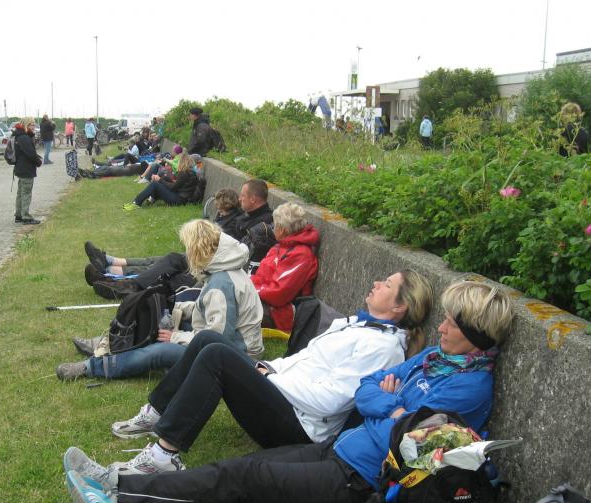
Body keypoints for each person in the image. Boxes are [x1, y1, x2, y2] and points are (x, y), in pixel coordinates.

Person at [62, 280, 514, 503]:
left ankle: (122, 501)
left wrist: (392, 407)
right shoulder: (434, 358)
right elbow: (367, 393)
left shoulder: (468, 387)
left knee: (241, 479)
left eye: (452, 321)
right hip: (339, 451)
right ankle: (120, 481)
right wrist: (392, 406)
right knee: (237, 468)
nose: (441, 326)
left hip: (357, 481)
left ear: (475, 333)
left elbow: (404, 438)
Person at [101, 269, 432, 475]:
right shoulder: (361, 325)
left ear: (399, 306)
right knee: (207, 339)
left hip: (300, 427)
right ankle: (156, 413)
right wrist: (269, 367)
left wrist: (271, 379)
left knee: (217, 357)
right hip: (287, 396)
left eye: (387, 284)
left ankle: (164, 455)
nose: (376, 282)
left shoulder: (383, 347)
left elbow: (332, 400)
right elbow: (304, 361)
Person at [56, 219, 264, 381]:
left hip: (237, 357)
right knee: (156, 317)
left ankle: (92, 367)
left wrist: (176, 337)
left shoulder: (221, 284)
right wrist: (175, 306)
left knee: (159, 351)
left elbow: (217, 338)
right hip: (228, 343)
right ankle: (111, 343)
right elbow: (209, 311)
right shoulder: (224, 269)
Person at [82, 178, 275, 299]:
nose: (240, 199)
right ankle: (117, 272)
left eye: (243, 196)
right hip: (213, 258)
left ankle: (115, 277)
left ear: (253, 199)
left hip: (219, 264)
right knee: (171, 259)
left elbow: (240, 254)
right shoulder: (247, 216)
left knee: (174, 273)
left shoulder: (261, 226)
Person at [251, 202, 319, 332]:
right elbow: (260, 277)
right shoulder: (280, 247)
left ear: (282, 229)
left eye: (274, 224)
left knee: (235, 304)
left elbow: (279, 294)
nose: (272, 227)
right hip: (264, 300)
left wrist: (250, 289)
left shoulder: (301, 255)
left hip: (281, 313)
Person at [123, 151, 200, 210]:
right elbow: (180, 185)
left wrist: (159, 180)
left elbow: (173, 187)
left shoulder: (184, 173)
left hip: (179, 200)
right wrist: (163, 179)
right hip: (182, 197)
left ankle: (136, 202)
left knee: (155, 184)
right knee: (164, 178)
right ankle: (152, 199)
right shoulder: (190, 172)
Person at [12, 120, 42, 225]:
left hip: (20, 168)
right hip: (26, 169)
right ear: (27, 125)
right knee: (26, 193)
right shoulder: (24, 138)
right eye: (32, 125)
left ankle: (19, 214)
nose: (34, 127)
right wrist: (38, 162)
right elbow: (30, 153)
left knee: (21, 193)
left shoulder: (19, 136)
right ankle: (25, 216)